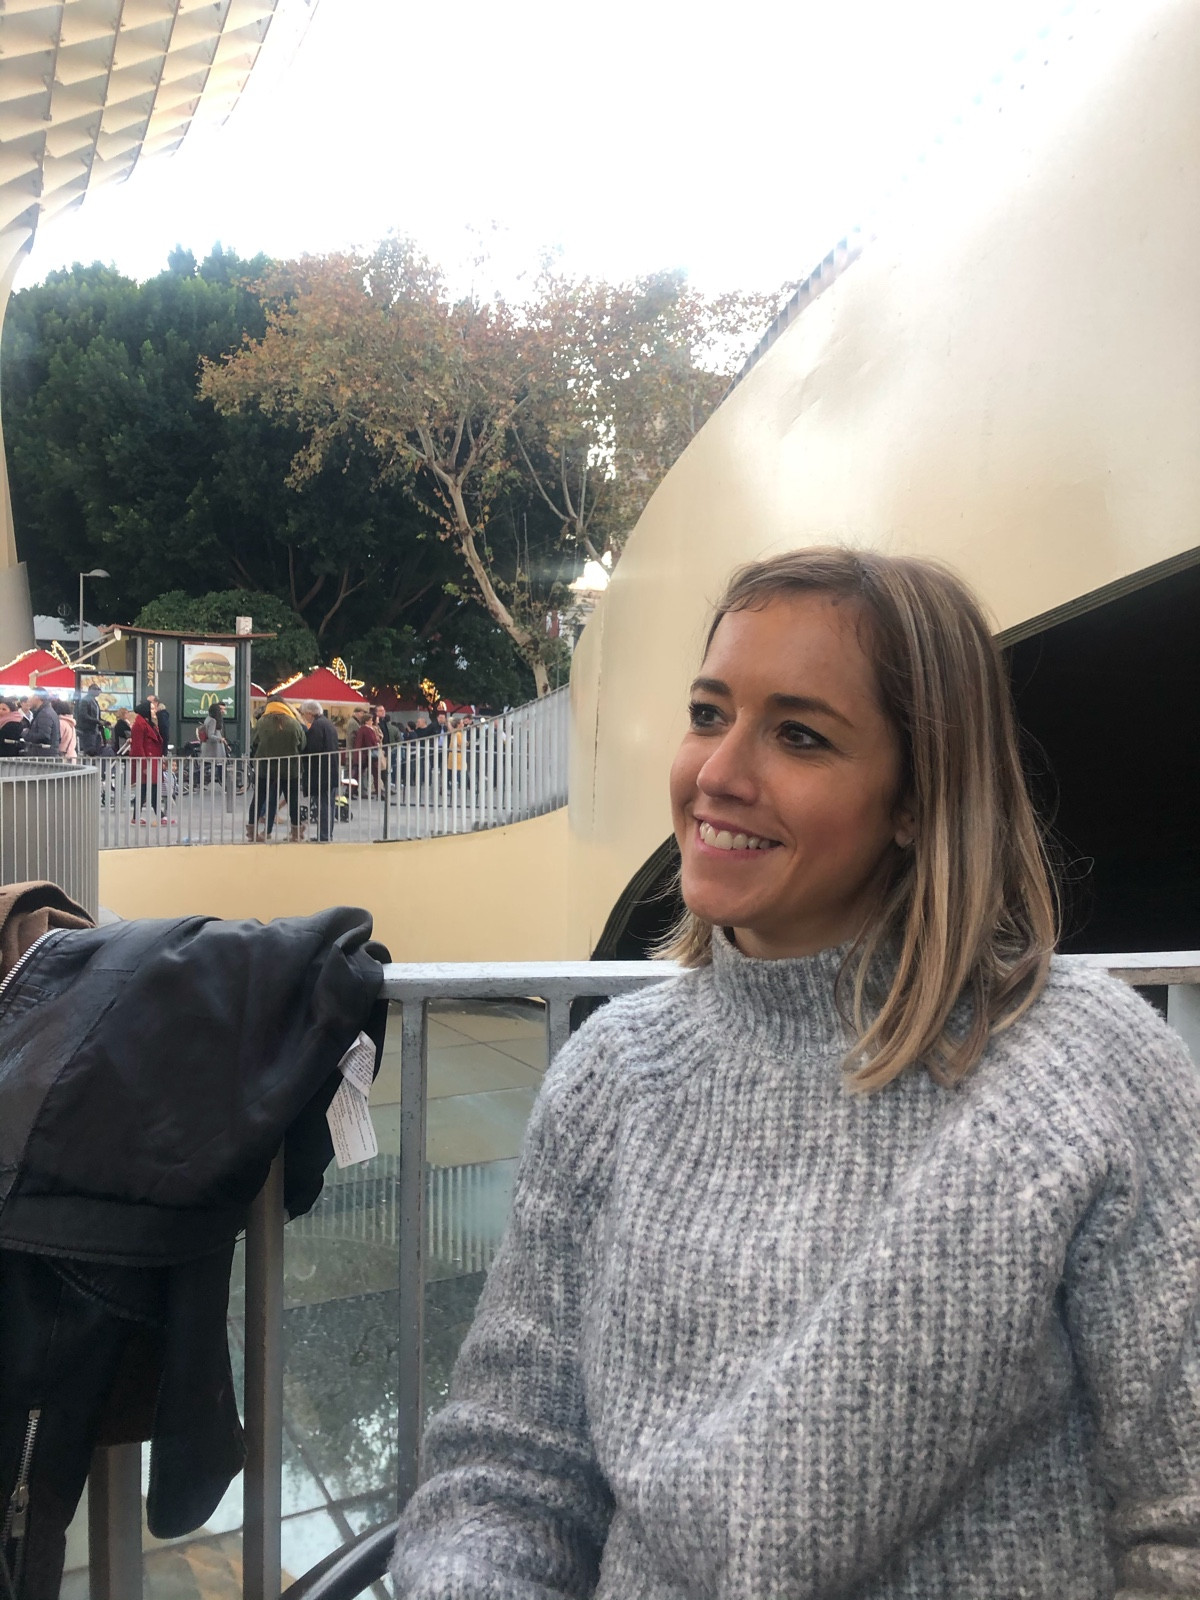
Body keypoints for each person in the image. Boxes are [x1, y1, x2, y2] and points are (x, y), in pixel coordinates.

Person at [390, 547, 1200, 1600]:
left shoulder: (1091, 1069)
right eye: (708, 713)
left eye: (800, 735)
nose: (718, 774)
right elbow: (510, 1473)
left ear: (918, 797)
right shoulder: (610, 1078)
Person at [248, 697, 305, 841]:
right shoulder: (293, 723)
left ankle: (252, 833)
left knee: (258, 799)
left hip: (265, 768)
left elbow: (254, 742)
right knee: (293, 801)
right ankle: (296, 833)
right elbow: (302, 744)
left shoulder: (261, 723)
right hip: (290, 769)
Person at [299, 699, 339, 842]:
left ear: (310, 713)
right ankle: (327, 834)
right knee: (329, 805)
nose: (304, 717)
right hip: (331, 769)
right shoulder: (327, 724)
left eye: (304, 714)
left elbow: (313, 748)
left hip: (323, 772)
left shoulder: (317, 726)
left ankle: (324, 836)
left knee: (324, 806)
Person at [129, 699, 168, 824]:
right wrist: (143, 765)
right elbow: (138, 746)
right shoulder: (140, 724)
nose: (154, 711)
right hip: (147, 761)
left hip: (151, 760)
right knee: (149, 789)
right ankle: (160, 816)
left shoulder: (147, 723)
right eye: (151, 708)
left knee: (146, 789)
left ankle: (138, 817)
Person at [352, 705, 382, 799]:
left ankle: (350, 791)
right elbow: (370, 742)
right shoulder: (367, 730)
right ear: (366, 721)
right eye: (371, 720)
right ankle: (379, 792)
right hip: (368, 755)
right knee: (375, 773)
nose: (372, 721)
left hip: (363, 755)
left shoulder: (362, 729)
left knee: (357, 774)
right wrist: (376, 742)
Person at [199, 702, 228, 785]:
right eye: (220, 709)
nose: (222, 711)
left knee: (207, 764)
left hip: (208, 746)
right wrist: (220, 739)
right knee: (220, 763)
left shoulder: (208, 718)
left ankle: (201, 781)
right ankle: (223, 782)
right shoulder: (213, 721)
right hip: (213, 747)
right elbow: (210, 735)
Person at [22, 693, 60, 757]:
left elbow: (44, 736)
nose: (29, 700)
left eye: (31, 697)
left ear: (37, 697)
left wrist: (26, 734)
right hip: (46, 754)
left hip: (43, 756)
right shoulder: (47, 711)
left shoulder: (44, 714)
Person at [75, 683, 104, 757]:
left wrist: (103, 721)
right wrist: (97, 721)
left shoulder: (94, 701)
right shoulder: (85, 700)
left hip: (95, 731)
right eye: (97, 689)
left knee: (96, 751)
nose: (98, 692)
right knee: (90, 751)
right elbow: (83, 715)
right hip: (88, 731)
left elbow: (96, 716)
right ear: (90, 690)